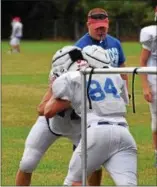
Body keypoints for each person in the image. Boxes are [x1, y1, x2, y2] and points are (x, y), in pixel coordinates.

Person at [44, 45, 137, 186]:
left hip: (96, 131)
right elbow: (125, 100)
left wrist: (52, 86)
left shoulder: (72, 77)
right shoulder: (114, 74)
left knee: (73, 182)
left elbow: (48, 111)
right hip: (124, 133)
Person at [15, 46, 98, 186]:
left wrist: (71, 99)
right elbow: (42, 109)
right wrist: (61, 95)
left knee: (94, 165)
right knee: (27, 163)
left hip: (80, 126)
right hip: (51, 124)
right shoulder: (59, 76)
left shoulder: (90, 76)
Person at [74, 7, 129, 184]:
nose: (101, 30)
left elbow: (123, 68)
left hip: (113, 109)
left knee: (113, 154)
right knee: (89, 158)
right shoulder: (80, 47)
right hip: (91, 110)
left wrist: (126, 94)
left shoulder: (115, 43)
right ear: (88, 25)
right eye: (97, 27)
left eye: (103, 26)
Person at [139, 7, 157, 167]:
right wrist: (145, 86)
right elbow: (143, 62)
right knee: (156, 120)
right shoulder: (151, 34)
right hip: (154, 78)